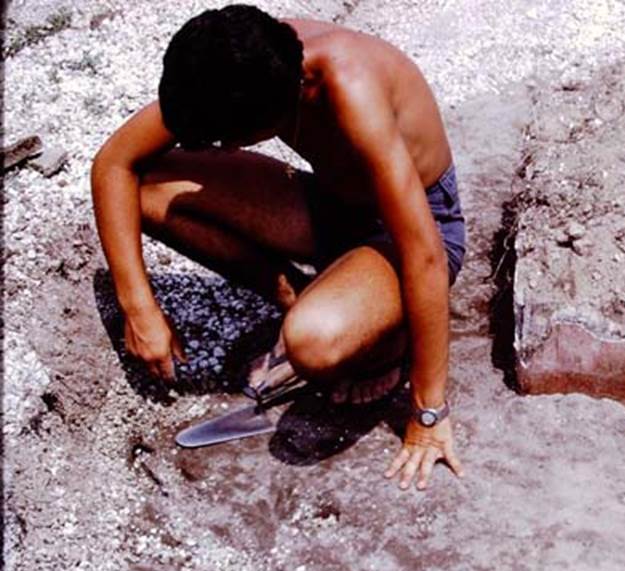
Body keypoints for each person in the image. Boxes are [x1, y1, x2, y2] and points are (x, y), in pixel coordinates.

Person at [90, 4, 466, 490]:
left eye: (229, 139)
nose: (224, 150)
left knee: (312, 341)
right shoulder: (239, 60)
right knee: (147, 192)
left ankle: (384, 343)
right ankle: (305, 295)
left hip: (415, 229)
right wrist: (139, 307)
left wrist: (429, 413)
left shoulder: (351, 87)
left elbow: (426, 254)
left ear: (286, 100)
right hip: (331, 203)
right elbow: (113, 164)